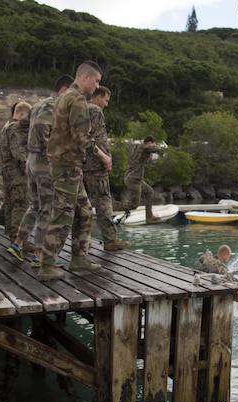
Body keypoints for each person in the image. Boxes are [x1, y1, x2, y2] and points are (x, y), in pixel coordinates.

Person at [37, 61, 107, 281]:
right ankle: (47, 265)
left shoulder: (65, 95)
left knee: (85, 211)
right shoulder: (76, 99)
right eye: (96, 81)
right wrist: (103, 155)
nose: (97, 87)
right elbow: (81, 137)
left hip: (69, 164)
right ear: (85, 77)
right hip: (66, 166)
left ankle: (78, 257)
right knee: (62, 216)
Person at [7, 75, 74, 268]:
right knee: (47, 208)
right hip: (45, 165)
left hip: (32, 162)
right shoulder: (52, 106)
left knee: (34, 205)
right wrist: (49, 151)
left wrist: (29, 148)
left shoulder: (36, 105)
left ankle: (17, 243)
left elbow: (20, 126)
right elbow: (44, 127)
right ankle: (39, 254)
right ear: (63, 90)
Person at [83, 86, 130, 251]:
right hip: (95, 165)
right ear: (98, 97)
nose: (106, 104)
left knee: (83, 203)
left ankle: (82, 240)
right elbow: (98, 138)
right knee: (103, 200)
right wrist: (106, 159)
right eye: (106, 100)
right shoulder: (95, 110)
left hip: (82, 164)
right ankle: (110, 239)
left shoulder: (80, 108)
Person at [0, 101, 31, 242]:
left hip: (8, 173)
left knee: (10, 203)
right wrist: (26, 166)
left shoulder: (5, 127)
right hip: (17, 174)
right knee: (21, 204)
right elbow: (17, 151)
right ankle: (19, 239)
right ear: (23, 114)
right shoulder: (15, 128)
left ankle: (12, 235)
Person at [117, 135, 165, 223]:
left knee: (150, 192)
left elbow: (129, 145)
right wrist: (161, 152)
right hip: (133, 179)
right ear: (149, 143)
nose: (154, 146)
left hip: (134, 178)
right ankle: (110, 206)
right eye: (154, 144)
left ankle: (149, 216)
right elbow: (151, 149)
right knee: (133, 205)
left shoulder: (135, 146)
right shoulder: (145, 148)